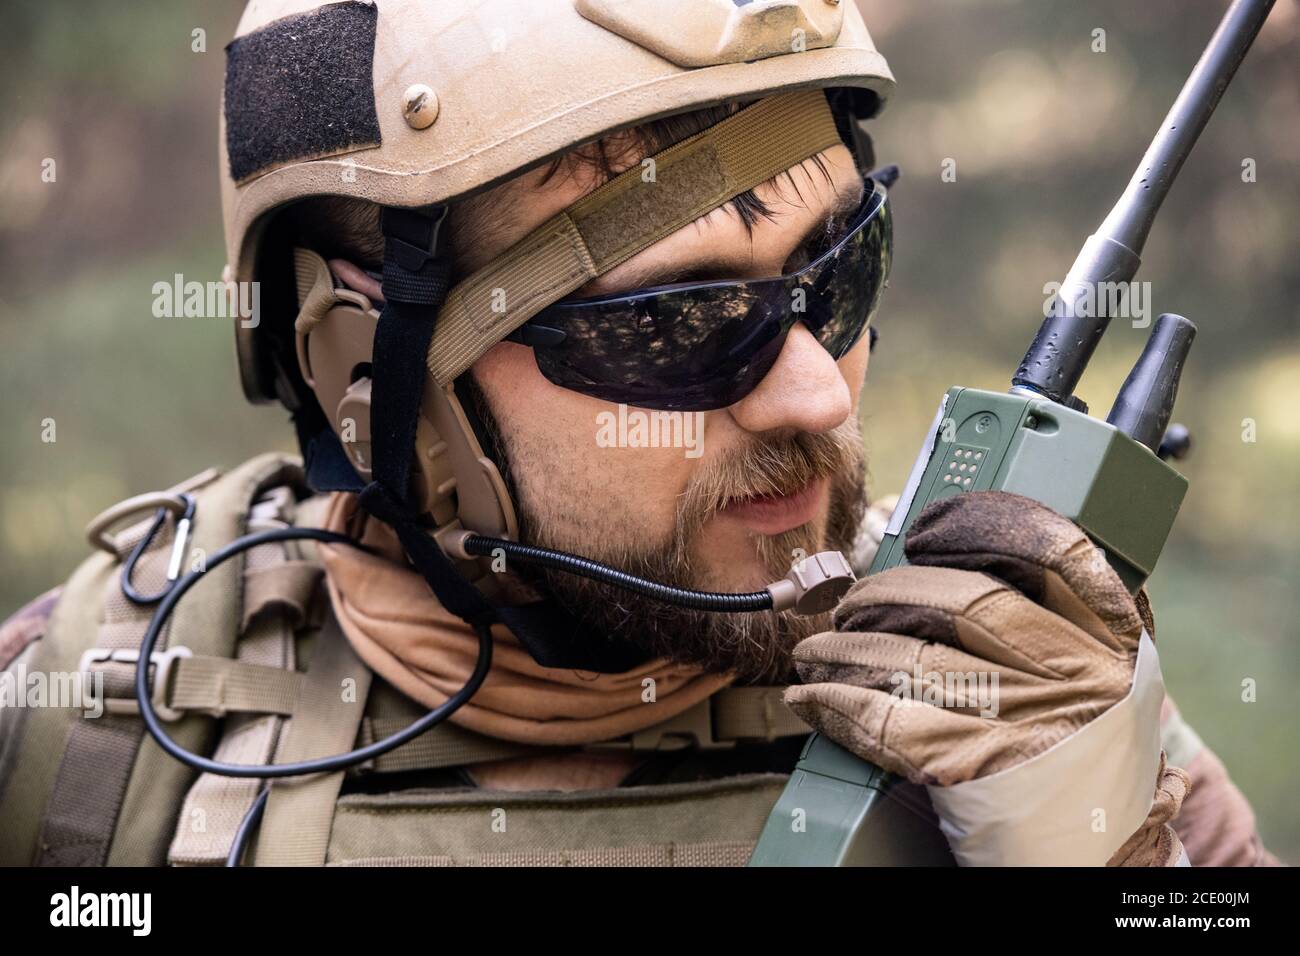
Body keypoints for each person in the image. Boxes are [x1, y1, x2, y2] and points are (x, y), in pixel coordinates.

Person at [0, 0, 1278, 867]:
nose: (817, 396)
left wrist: (1095, 833)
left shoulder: (1020, 683)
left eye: (836, 271)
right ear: (364, 380)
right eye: (672, 327)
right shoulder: (86, 740)